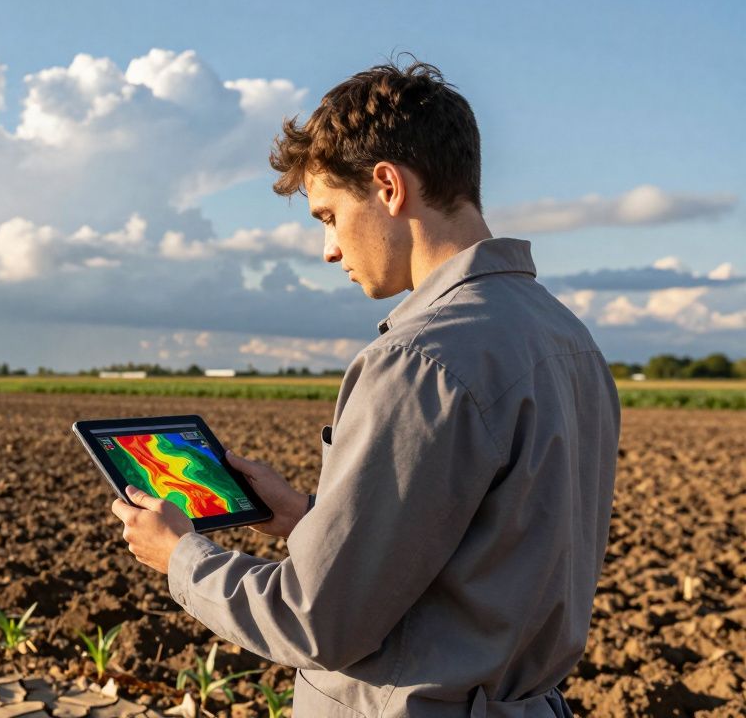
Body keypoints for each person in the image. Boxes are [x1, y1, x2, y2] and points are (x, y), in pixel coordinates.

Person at [111, 57, 619, 717]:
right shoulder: (567, 338)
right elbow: (481, 550)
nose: (328, 249)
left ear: (387, 186)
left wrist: (180, 556)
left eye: (327, 215)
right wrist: (302, 517)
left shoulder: (421, 358)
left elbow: (314, 621)